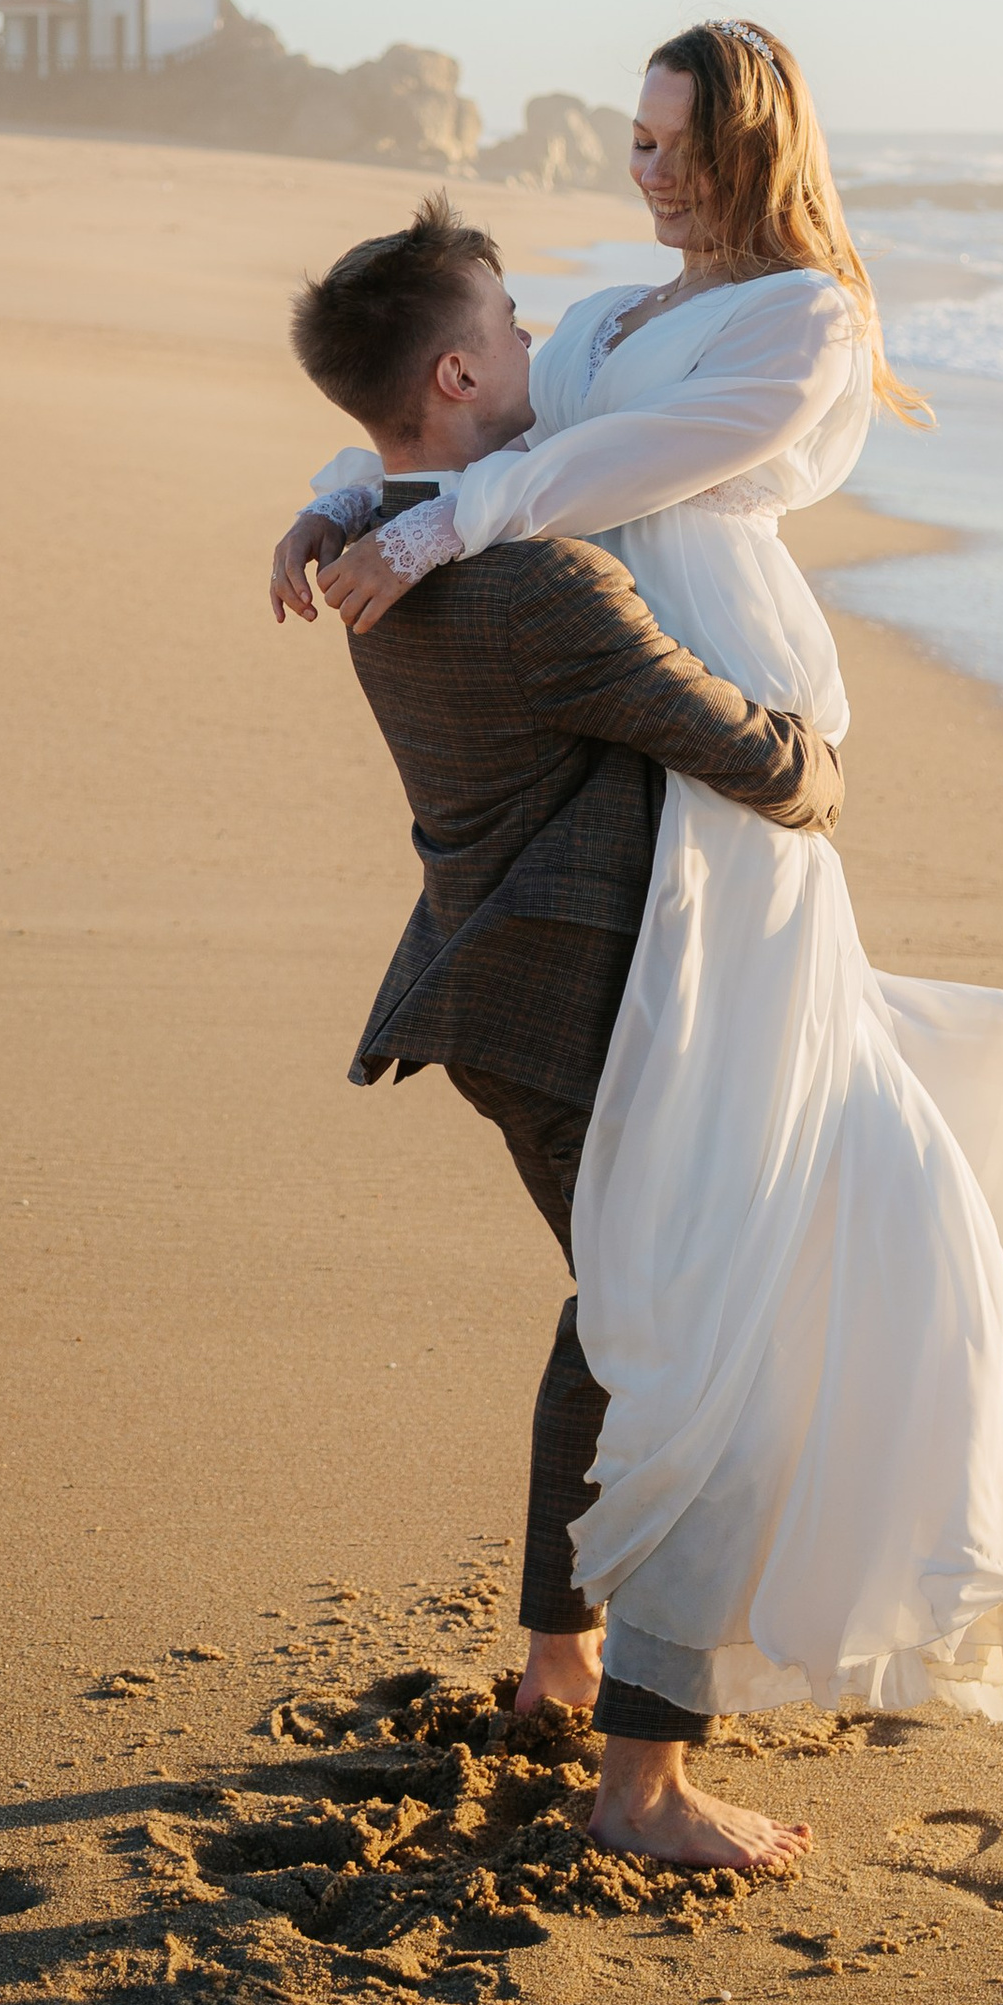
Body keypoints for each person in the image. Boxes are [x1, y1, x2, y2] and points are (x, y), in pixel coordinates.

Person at [277, 18, 1003, 1778]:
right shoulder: (615, 326)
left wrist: (429, 521)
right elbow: (470, 413)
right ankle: (634, 1748)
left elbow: (585, 466)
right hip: (676, 775)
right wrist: (345, 498)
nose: (647, 169)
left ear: (754, 144)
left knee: (669, 1269)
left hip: (699, 763)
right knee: (722, 1286)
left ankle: (579, 1670)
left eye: (676, 142)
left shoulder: (802, 322)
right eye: (633, 137)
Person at [279, 193, 842, 1872]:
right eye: (515, 324)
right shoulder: (538, 588)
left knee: (618, 1328)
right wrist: (816, 746)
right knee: (713, 1374)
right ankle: (644, 1789)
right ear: (458, 371)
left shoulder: (378, 529)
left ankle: (555, 1666)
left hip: (497, 1006)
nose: (542, 345)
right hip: (586, 1019)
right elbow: (772, 768)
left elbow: (402, 491)